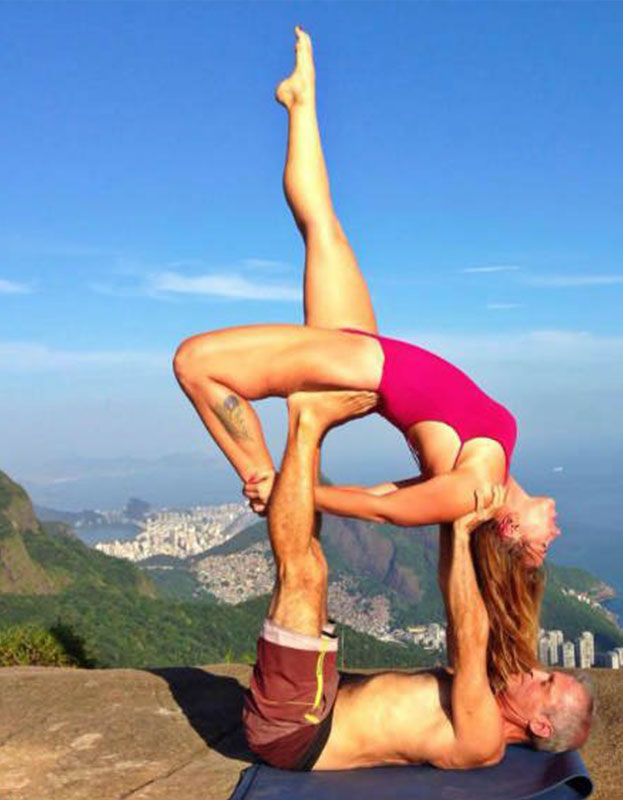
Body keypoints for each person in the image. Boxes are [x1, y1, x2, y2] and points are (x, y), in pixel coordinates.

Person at [172, 27, 560, 570]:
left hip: (366, 368)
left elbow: (386, 507)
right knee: (322, 225)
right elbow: (387, 491)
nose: (557, 526)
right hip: (368, 350)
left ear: (513, 528)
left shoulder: (475, 491)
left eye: (544, 542)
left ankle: (263, 481)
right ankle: (300, 102)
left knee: (194, 362)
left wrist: (294, 488)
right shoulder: (501, 466)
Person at [241, 388, 593, 771]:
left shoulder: (484, 739)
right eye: (548, 673)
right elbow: (453, 595)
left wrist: (461, 533)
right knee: (313, 562)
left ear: (539, 725)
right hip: (318, 697)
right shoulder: (480, 701)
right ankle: (299, 460)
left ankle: (306, 421)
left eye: (545, 684)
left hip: (296, 728)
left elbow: (470, 633)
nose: (534, 671)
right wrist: (453, 511)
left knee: (304, 574)